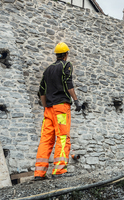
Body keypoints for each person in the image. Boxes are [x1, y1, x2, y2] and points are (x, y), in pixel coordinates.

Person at [34, 42, 82, 180]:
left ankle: (39, 173)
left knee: (46, 139)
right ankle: (59, 170)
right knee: (62, 137)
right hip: (61, 108)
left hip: (48, 110)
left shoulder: (48, 70)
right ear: (66, 54)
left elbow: (41, 91)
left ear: (56, 55)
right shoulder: (66, 65)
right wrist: (76, 101)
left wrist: (45, 107)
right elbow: (68, 83)